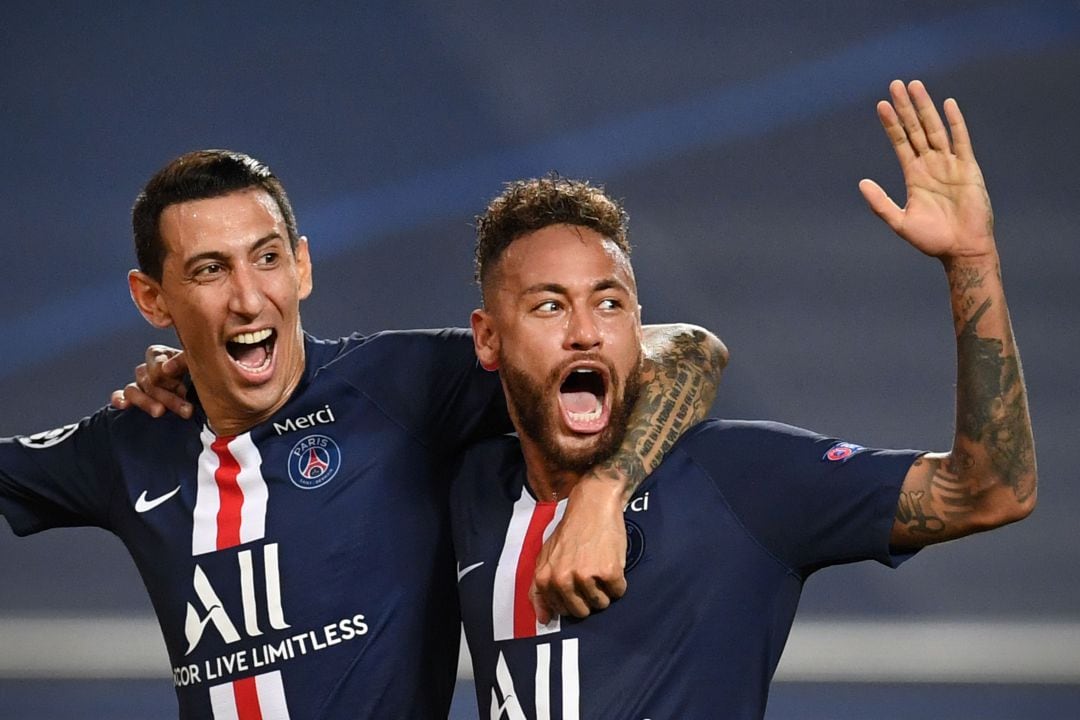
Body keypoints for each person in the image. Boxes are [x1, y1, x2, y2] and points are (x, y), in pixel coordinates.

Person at [0, 149, 724, 718]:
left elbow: (684, 347)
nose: (250, 296)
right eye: (210, 270)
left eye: (268, 257)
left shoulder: (400, 388)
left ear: (303, 264)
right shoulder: (136, 439)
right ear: (152, 298)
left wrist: (602, 496)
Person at [450, 80, 1036, 718]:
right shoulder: (465, 492)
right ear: (487, 339)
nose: (586, 330)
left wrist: (971, 262)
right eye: (548, 305)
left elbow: (991, 490)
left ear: (639, 325)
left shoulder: (739, 477)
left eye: (609, 302)